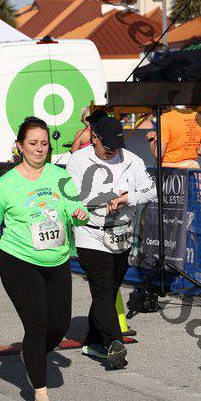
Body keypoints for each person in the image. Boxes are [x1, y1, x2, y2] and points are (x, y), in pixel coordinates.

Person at [0, 117, 89, 401]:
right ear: (20, 146)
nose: (39, 148)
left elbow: (71, 204)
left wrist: (78, 212)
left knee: (59, 325)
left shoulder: (60, 176)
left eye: (44, 143)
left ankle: (31, 353)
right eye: (32, 143)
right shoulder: (4, 185)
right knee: (37, 325)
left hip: (57, 259)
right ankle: (41, 393)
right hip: (18, 260)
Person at [66, 110, 157, 367]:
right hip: (90, 233)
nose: (112, 151)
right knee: (103, 287)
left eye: (116, 145)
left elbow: (151, 189)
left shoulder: (132, 159)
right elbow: (73, 195)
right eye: (107, 146)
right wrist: (106, 197)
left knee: (109, 289)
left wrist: (127, 197)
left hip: (122, 233)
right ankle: (114, 342)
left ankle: (93, 342)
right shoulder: (78, 160)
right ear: (94, 138)